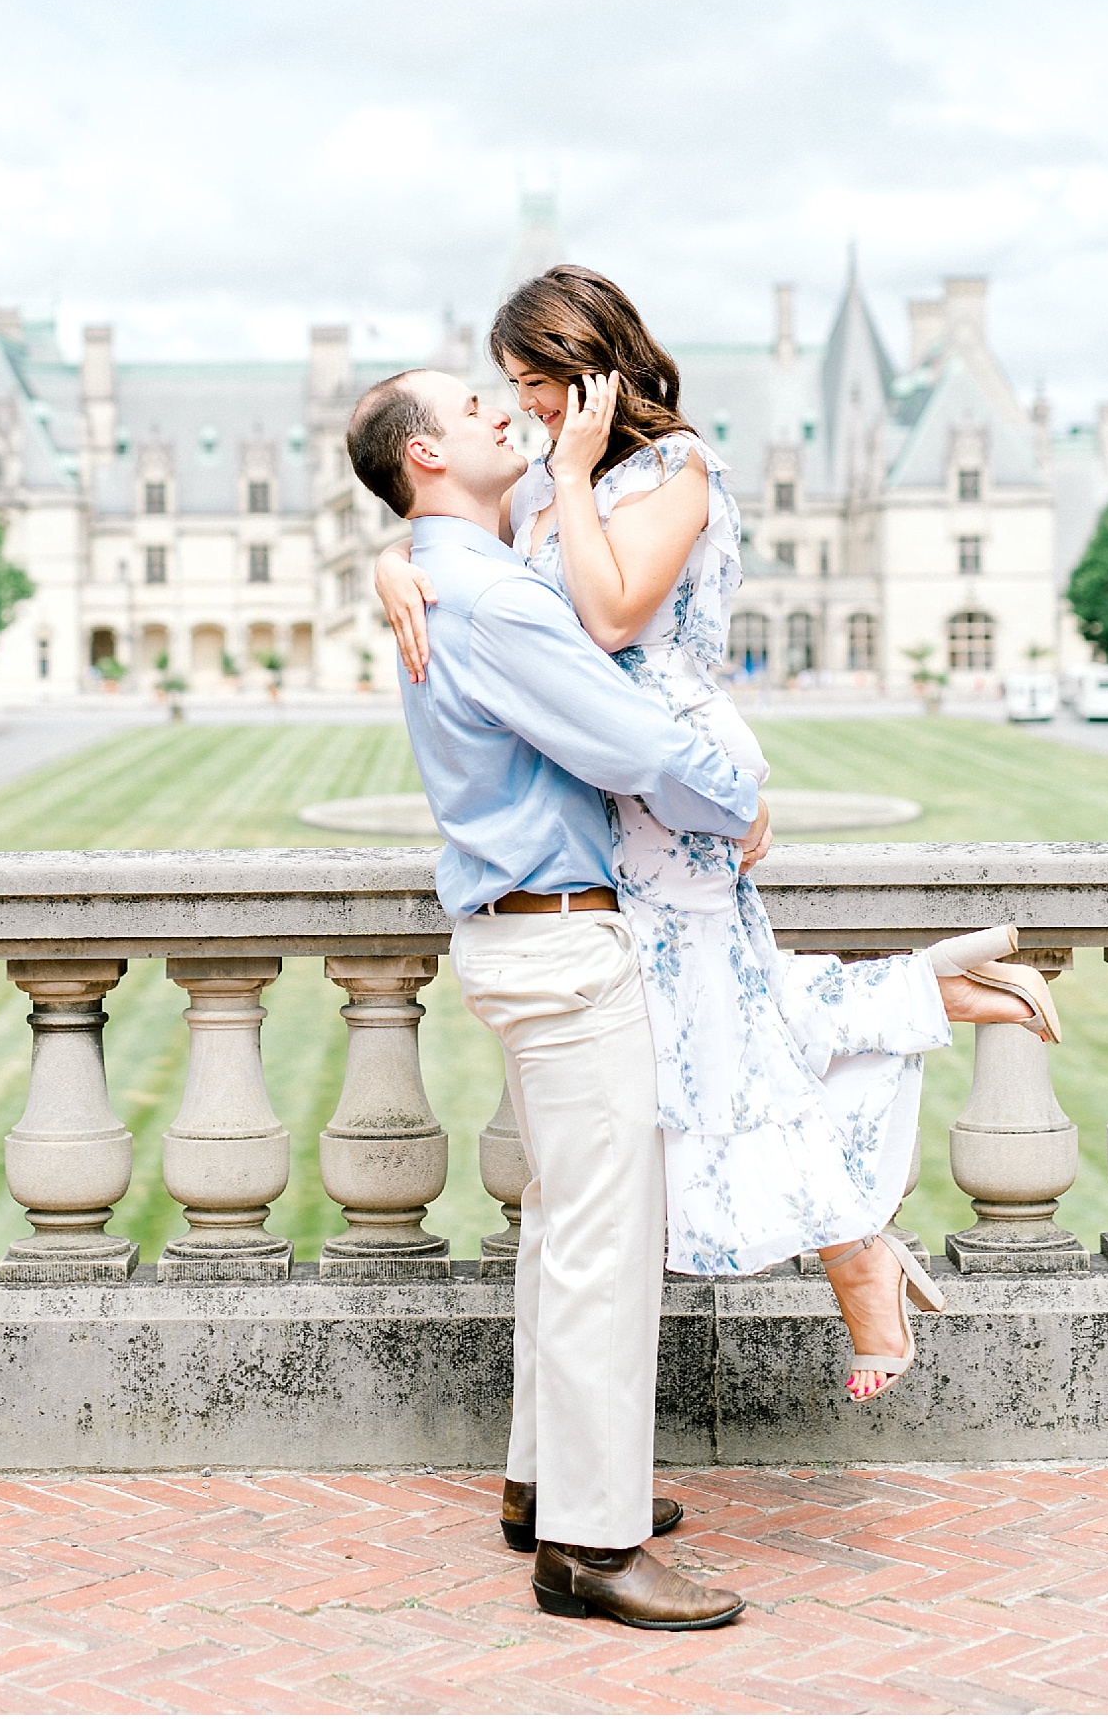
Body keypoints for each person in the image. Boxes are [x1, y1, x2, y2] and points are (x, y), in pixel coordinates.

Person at [377, 267, 1063, 1404]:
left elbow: (605, 615)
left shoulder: (672, 470)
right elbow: (465, 549)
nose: (524, 406)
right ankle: (926, 1007)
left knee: (697, 1042)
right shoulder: (558, 486)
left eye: (535, 382)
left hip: (670, 770)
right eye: (508, 388)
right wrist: (391, 560)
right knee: (705, 1020)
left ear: (591, 370)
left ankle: (859, 1253)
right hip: (612, 778)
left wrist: (566, 473)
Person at [346, 365, 766, 1632]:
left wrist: (399, 551)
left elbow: (541, 537)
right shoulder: (482, 597)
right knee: (600, 1247)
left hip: (518, 939)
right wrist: (739, 798)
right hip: (567, 945)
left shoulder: (447, 571)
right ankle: (592, 1543)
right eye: (472, 408)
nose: (502, 412)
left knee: (556, 1233)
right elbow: (630, 744)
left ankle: (545, 1483)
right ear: (425, 457)